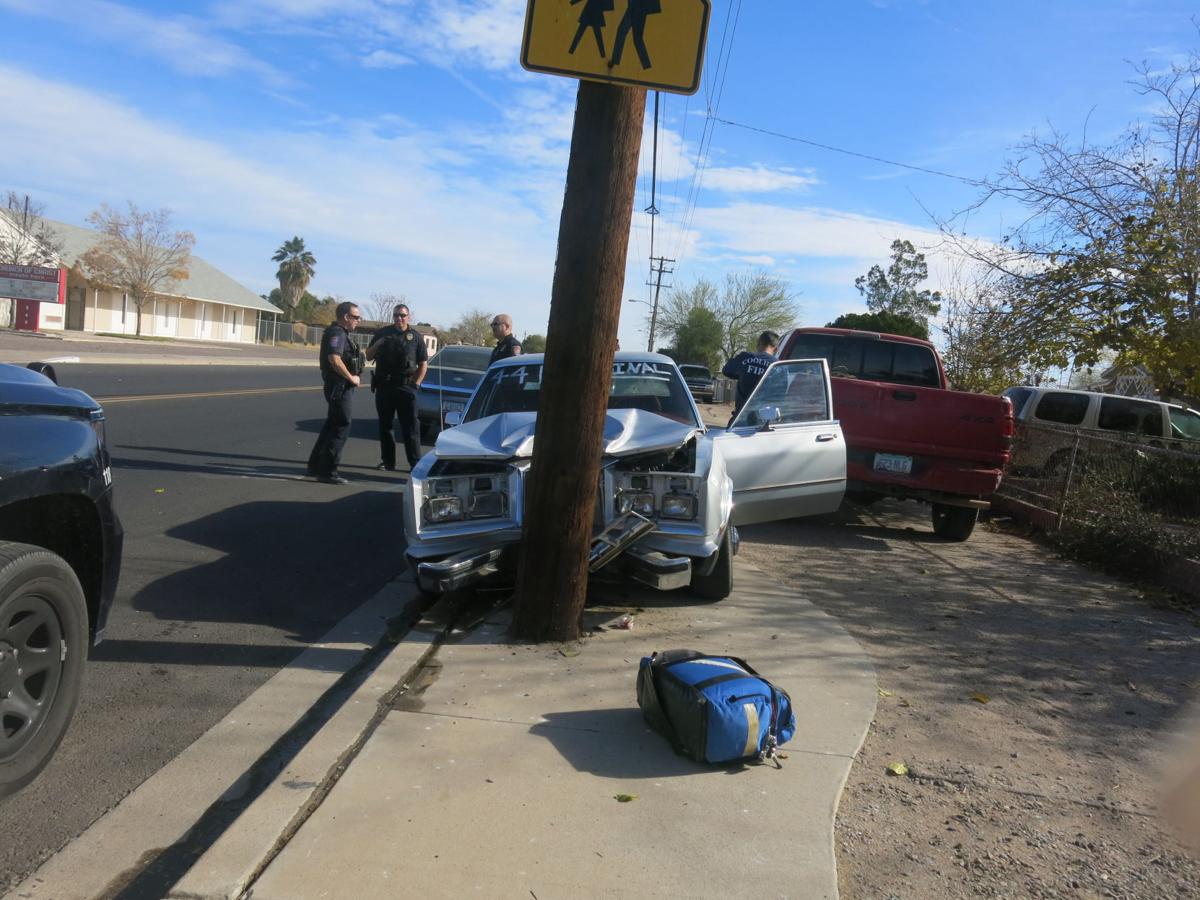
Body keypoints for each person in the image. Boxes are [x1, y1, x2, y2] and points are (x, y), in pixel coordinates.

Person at [366, 302, 429, 471]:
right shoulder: (382, 333)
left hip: (406, 388)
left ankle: (415, 463)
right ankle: (388, 462)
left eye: (402, 315)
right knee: (385, 427)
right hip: (384, 386)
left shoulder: (415, 337)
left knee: (411, 428)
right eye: (396, 315)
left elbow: (423, 364)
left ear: (408, 317)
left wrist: (416, 385)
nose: (399, 318)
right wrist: (378, 343)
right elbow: (368, 355)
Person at [307, 301, 364, 485]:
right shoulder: (337, 333)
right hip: (338, 386)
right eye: (356, 317)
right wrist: (351, 378)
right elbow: (334, 359)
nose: (358, 321)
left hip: (338, 386)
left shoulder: (342, 333)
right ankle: (327, 471)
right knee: (341, 425)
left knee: (331, 424)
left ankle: (315, 465)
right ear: (346, 317)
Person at [722, 330, 779, 419]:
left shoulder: (745, 357)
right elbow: (782, 392)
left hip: (741, 417)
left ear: (758, 343)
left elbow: (726, 370)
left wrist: (743, 374)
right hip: (766, 419)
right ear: (776, 349)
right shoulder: (778, 366)